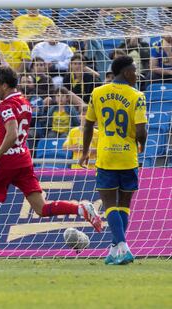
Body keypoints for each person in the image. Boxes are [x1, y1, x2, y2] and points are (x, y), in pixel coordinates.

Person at [0, 66, 102, 263]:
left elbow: (11, 133)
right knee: (41, 208)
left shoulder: (5, 105)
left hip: (5, 161)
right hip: (23, 159)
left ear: (4, 85)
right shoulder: (25, 103)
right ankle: (80, 208)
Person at [79, 56, 147, 265]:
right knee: (124, 205)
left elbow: (89, 125)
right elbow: (141, 130)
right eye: (135, 71)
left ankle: (119, 248)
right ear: (126, 72)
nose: (137, 75)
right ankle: (118, 248)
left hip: (106, 156)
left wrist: (84, 151)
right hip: (128, 157)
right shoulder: (137, 96)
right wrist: (141, 145)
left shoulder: (97, 93)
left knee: (109, 205)